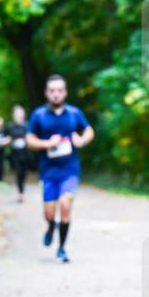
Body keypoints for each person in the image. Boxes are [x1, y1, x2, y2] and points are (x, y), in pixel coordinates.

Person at [26, 75, 95, 263]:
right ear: (46, 93)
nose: (56, 94)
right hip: (48, 171)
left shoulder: (74, 113)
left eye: (59, 90)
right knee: (49, 213)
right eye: (52, 90)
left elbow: (89, 130)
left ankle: (62, 249)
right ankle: (50, 226)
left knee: (65, 205)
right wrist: (47, 144)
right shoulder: (39, 115)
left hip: (69, 169)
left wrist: (81, 140)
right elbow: (29, 140)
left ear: (65, 92)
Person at [5, 105, 32, 203]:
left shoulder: (27, 125)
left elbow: (31, 138)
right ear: (13, 115)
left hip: (25, 153)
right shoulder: (10, 126)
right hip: (15, 154)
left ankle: (22, 190)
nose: (18, 115)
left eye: (20, 113)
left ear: (23, 114)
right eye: (16, 113)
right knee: (18, 172)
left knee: (24, 173)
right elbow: (7, 138)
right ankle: (21, 193)